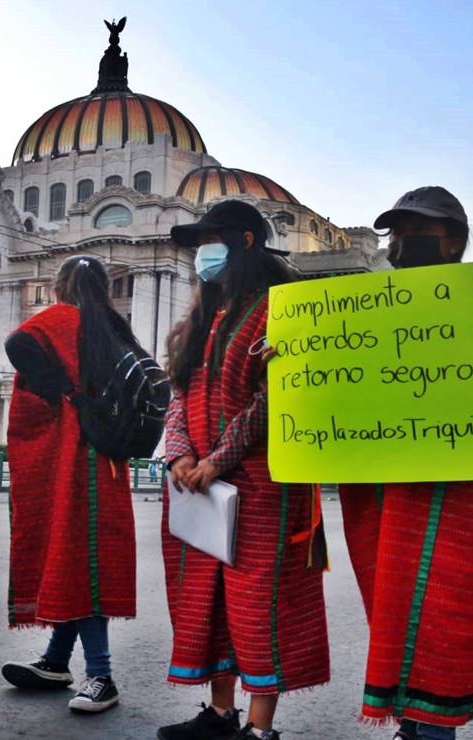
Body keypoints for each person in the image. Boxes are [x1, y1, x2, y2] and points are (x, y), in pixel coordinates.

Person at [338, 187, 473, 740]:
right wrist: (287, 364)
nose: (401, 243)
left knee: (449, 628)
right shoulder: (362, 318)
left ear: (455, 240)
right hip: (391, 507)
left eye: (416, 230)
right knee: (396, 619)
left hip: (461, 508)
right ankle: (413, 729)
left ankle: (429, 731)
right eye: (397, 232)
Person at [157, 201, 327, 740]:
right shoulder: (200, 319)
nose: (202, 254)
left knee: (259, 601)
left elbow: (270, 400)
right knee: (208, 601)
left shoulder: (280, 311)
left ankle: (259, 727)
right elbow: (179, 396)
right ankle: (221, 712)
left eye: (213, 239)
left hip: (261, 489)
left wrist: (216, 461)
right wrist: (182, 454)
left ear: (245, 242)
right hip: (197, 488)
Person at [0, 255, 141, 714]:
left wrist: (63, 393)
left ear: (60, 288)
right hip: (107, 458)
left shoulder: (61, 319)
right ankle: (58, 661)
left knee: (78, 558)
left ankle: (101, 674)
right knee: (79, 555)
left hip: (71, 458)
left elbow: (17, 342)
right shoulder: (117, 330)